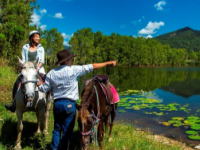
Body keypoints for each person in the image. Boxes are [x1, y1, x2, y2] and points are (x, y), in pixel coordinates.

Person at [37, 49, 117, 150]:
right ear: (67, 61)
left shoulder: (51, 73)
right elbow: (93, 66)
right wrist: (108, 63)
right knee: (67, 131)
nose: (72, 61)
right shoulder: (74, 70)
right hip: (70, 105)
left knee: (57, 129)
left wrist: (39, 85)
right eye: (71, 59)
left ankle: (54, 148)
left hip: (57, 104)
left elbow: (44, 89)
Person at [5, 30, 45, 112]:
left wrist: (36, 68)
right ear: (31, 38)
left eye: (39, 36)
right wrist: (23, 66)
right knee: (17, 81)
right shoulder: (25, 47)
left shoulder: (41, 48)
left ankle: (47, 101)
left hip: (38, 67)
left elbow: (42, 61)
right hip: (27, 67)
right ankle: (14, 103)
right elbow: (23, 59)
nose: (38, 38)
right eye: (36, 36)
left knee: (46, 79)